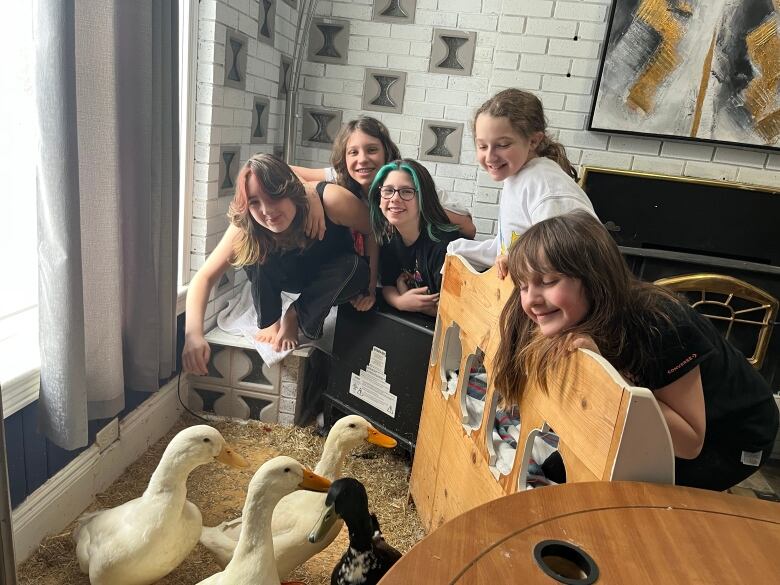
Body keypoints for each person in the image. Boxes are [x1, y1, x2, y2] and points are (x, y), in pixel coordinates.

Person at [493, 211, 779, 491]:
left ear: (595, 279)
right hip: (667, 414)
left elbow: (690, 442)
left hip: (733, 438)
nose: (531, 301)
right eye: (523, 287)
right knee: (555, 474)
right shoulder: (572, 311)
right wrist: (518, 265)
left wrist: (610, 377)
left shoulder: (661, 324)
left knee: (613, 497)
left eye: (548, 282)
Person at [183, 154, 372, 370]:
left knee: (357, 269)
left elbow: (374, 232)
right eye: (255, 202)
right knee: (251, 246)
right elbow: (205, 277)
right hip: (293, 276)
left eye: (274, 197)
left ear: (291, 191)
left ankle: (295, 314)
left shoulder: (331, 199)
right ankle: (271, 320)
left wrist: (373, 288)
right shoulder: (249, 223)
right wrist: (193, 335)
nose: (267, 211)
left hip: (334, 276)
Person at [448, 88, 595, 278]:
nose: (490, 156)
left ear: (533, 141)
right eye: (482, 146)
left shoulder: (545, 184)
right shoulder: (516, 177)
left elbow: (571, 250)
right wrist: (459, 249)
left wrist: (517, 258)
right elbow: (507, 247)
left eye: (502, 145)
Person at [291, 116, 477, 239]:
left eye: (372, 150)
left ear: (386, 152)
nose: (362, 159)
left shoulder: (408, 181)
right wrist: (310, 191)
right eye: (353, 152)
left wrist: (412, 205)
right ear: (344, 158)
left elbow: (469, 228)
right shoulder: (341, 177)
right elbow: (283, 170)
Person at [367, 159, 460, 316]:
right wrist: (400, 301)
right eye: (388, 190)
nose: (395, 198)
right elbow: (388, 285)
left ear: (424, 198)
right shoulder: (390, 238)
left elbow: (454, 312)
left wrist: (411, 299)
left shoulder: (444, 246)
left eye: (407, 191)